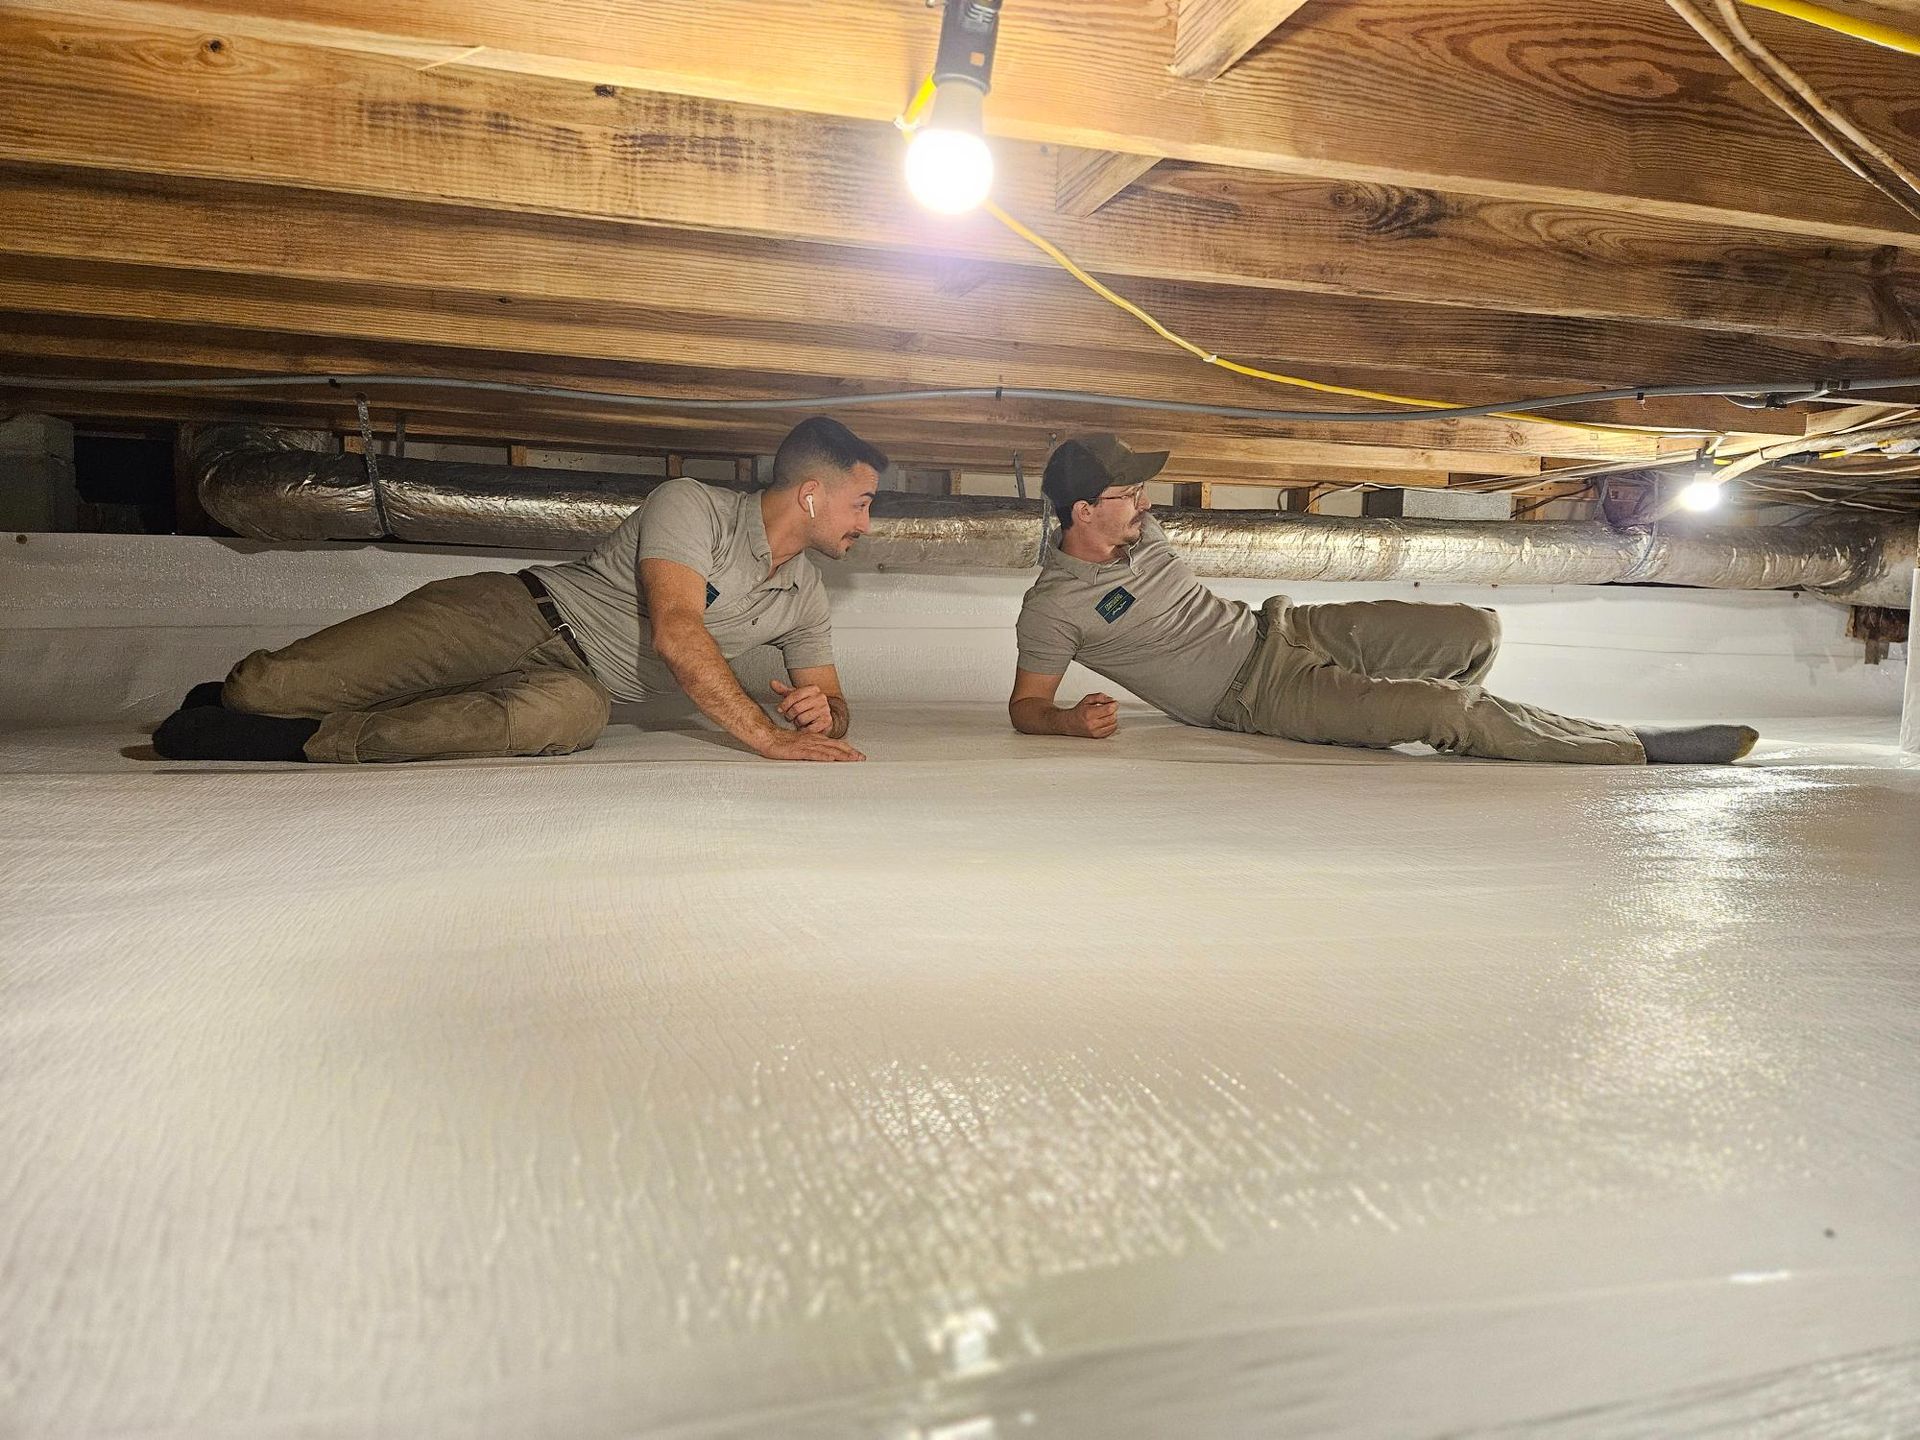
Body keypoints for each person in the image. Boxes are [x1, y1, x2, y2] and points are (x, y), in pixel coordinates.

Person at [153, 416, 884, 764]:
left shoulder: (806, 595)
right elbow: (677, 630)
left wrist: (826, 715)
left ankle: (295, 741)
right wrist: (763, 736)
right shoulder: (691, 505)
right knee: (264, 685)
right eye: (863, 503)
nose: (869, 524)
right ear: (813, 495)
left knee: (555, 722)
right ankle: (242, 703)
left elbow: (836, 698)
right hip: (514, 614)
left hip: (585, 685)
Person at [1007, 434, 1759, 766]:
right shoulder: (1054, 607)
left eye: (1142, 488)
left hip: (1284, 629)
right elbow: (1024, 707)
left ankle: (1451, 722)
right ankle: (1628, 745)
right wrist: (1069, 722)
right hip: (1256, 693)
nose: (1143, 500)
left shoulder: (1142, 530)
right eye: (1126, 491)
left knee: (1475, 630)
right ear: (1081, 512)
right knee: (1441, 710)